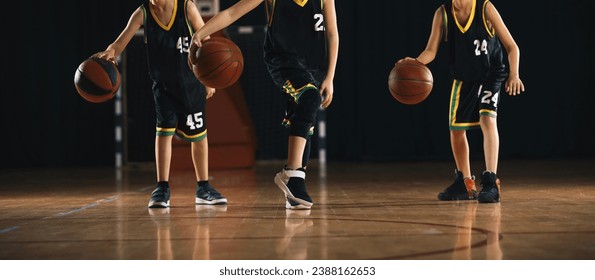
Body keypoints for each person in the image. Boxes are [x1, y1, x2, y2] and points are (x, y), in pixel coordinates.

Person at [189, 0, 338, 210]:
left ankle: (294, 187)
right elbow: (232, 13)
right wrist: (200, 33)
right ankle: (293, 175)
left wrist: (330, 77)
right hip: (283, 61)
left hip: (314, 65)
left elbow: (332, 34)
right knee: (309, 99)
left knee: (305, 119)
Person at [94, 0, 227, 208]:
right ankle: (162, 187)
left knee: (199, 135)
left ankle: (203, 187)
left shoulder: (187, 7)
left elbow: (208, 45)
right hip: (164, 89)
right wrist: (110, 51)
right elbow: (120, 42)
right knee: (163, 133)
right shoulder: (142, 13)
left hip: (191, 85)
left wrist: (207, 79)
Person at [402, 0, 524, 203]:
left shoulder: (485, 7)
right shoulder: (442, 13)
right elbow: (431, 50)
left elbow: (512, 47)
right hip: (464, 78)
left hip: (491, 75)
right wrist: (413, 63)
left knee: (487, 119)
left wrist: (514, 74)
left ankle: (491, 181)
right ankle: (465, 184)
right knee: (456, 129)